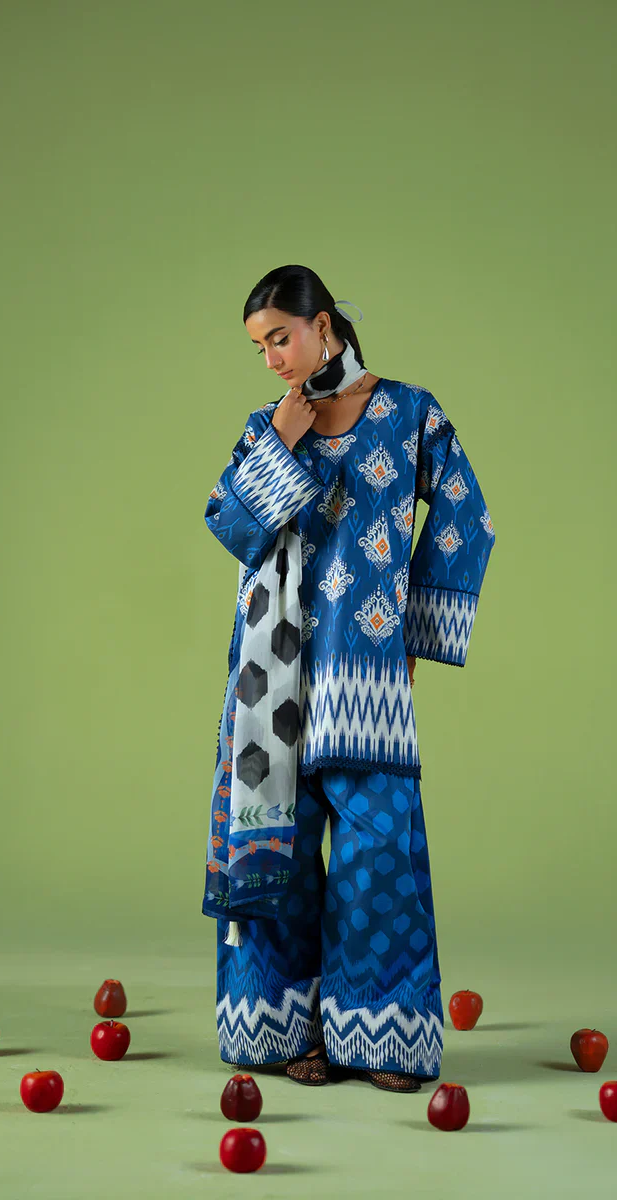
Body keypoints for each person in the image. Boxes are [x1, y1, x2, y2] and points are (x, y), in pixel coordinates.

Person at [201, 264, 496, 1092]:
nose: (272, 359)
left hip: (364, 677)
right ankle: (285, 1031)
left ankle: (381, 1034)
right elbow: (229, 525)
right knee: (282, 857)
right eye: (260, 348)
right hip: (271, 690)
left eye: (281, 338)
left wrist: (417, 635)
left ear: (323, 324)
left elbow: (468, 515)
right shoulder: (268, 426)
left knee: (381, 859)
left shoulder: (408, 413)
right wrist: (281, 441)